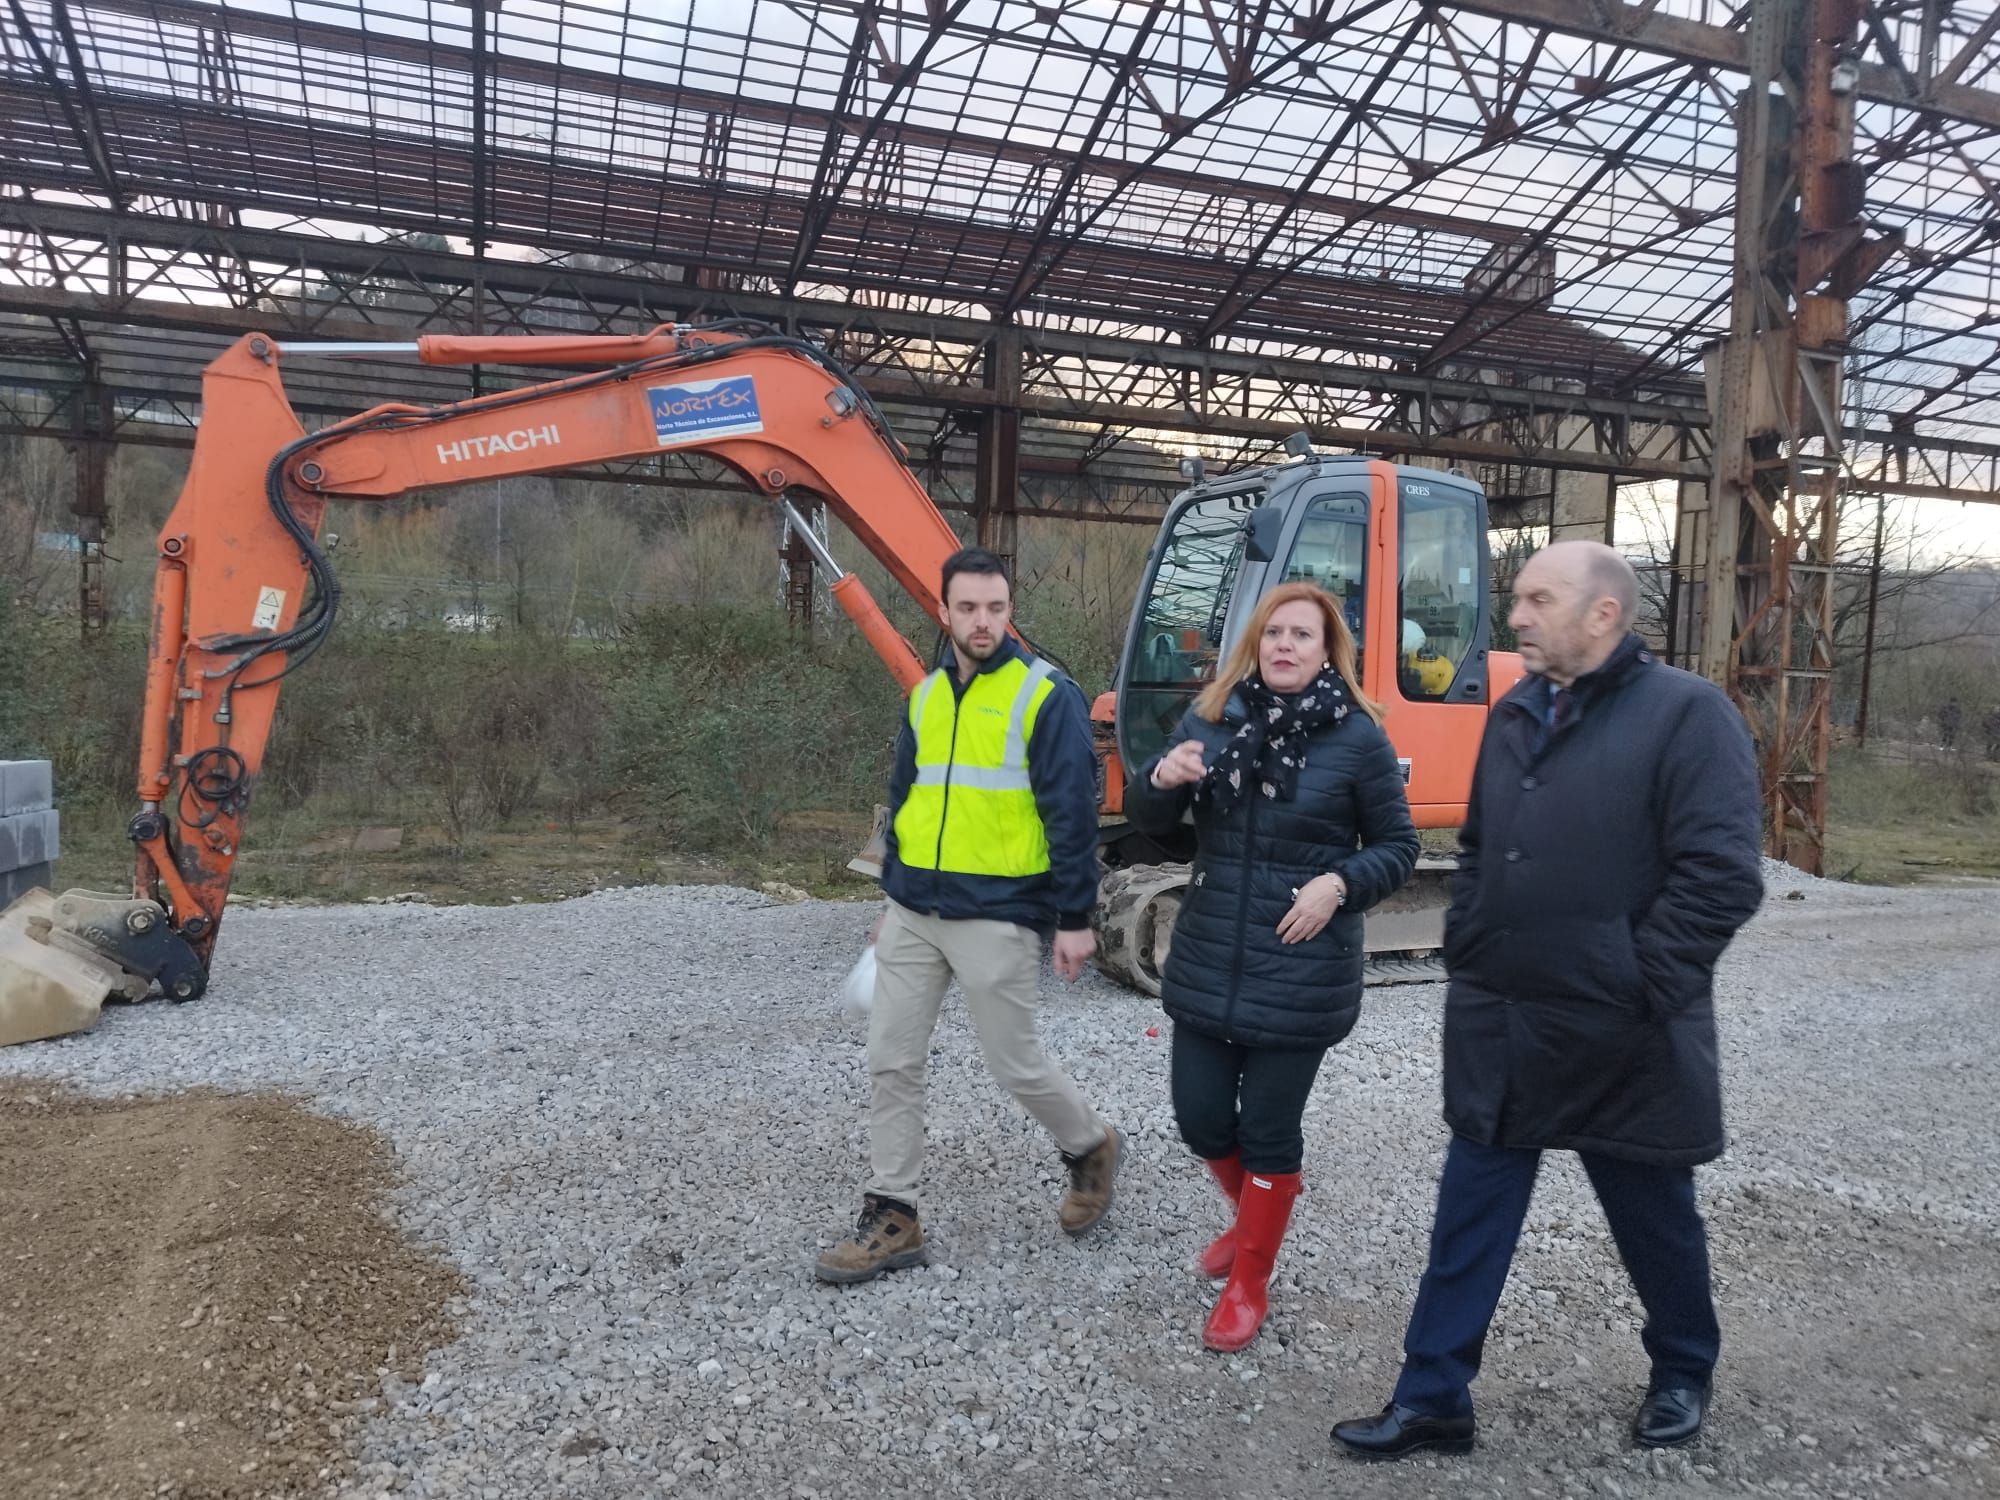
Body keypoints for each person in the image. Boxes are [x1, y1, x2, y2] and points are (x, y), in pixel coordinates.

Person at [1332, 541, 1764, 1461]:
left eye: (1537, 599)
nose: (1517, 616)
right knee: (1469, 1217)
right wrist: (1474, 950)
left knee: (1654, 1219)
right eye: (1518, 599)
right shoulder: (1519, 706)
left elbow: (1720, 879)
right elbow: (1485, 847)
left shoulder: (1690, 716)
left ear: (1602, 614)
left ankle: (1683, 1368)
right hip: (1508, 1016)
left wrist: (1639, 981)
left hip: (1627, 1030)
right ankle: (1433, 1396)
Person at [1123, 581, 1418, 1352]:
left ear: (1328, 653)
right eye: (1275, 632)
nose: (1286, 645)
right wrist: (1158, 782)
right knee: (1200, 1118)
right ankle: (1258, 1209)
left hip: (1300, 964)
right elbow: (1154, 830)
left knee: (1267, 1129)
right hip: (1212, 955)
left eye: (1304, 636)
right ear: (1256, 643)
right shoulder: (1213, 721)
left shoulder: (1357, 739)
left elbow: (1399, 846)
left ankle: (1250, 1277)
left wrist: (1339, 883)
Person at [814, 547, 1119, 1284]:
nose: (982, 622)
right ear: (944, 612)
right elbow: (906, 806)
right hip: (917, 911)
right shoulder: (923, 699)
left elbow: (1072, 816)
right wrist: (891, 901)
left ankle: (1089, 1146)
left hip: (1001, 913)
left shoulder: (1046, 696)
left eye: (996, 608)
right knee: (890, 1059)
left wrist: (1075, 918)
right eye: (969, 608)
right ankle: (895, 1214)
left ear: (1009, 612)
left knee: (1013, 1064)